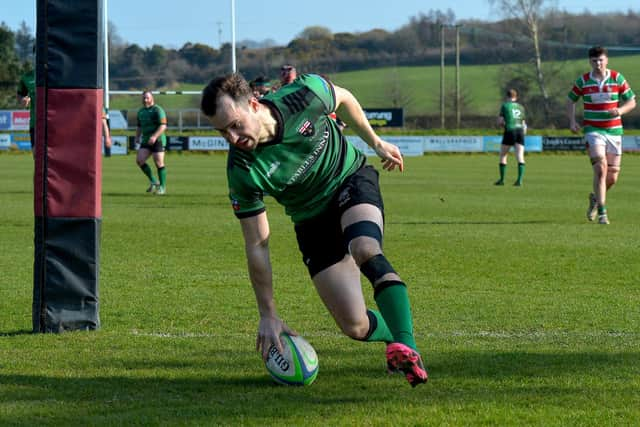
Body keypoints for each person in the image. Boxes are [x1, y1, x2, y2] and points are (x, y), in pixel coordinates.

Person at [200, 73, 428, 387]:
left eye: (235, 125)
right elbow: (257, 243)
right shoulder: (242, 170)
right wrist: (268, 313)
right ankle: (394, 342)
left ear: (253, 104)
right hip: (311, 221)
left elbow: (345, 97)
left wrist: (375, 142)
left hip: (349, 180)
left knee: (365, 248)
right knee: (355, 325)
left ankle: (409, 347)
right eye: (222, 132)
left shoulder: (302, 95)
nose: (232, 138)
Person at [567, 46, 636, 225]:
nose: (598, 63)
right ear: (590, 61)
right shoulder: (583, 81)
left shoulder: (617, 78)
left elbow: (632, 101)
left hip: (614, 131)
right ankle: (603, 213)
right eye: (594, 61)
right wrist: (572, 121)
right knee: (600, 166)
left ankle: (596, 200)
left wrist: (620, 110)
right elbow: (570, 100)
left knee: (612, 177)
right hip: (593, 130)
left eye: (601, 60)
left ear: (607, 60)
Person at [135, 91, 168, 195]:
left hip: (158, 140)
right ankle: (154, 181)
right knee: (140, 160)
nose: (145, 100)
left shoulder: (158, 110)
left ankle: (162, 188)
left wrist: (154, 136)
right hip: (146, 140)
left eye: (147, 98)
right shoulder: (140, 111)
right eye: (144, 98)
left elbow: (163, 126)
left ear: (152, 98)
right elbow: (139, 126)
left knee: (158, 163)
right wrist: (137, 136)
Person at [495, 88, 527, 186]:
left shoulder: (505, 106)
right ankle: (519, 180)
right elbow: (524, 123)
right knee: (520, 156)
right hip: (520, 132)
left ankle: (502, 180)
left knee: (503, 155)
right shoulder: (521, 107)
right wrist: (523, 132)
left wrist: (502, 125)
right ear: (516, 97)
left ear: (507, 97)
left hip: (510, 130)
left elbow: (500, 121)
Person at [16, 69, 36, 155]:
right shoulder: (27, 77)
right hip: (35, 124)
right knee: (36, 155)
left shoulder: (55, 72)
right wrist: (22, 101)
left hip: (54, 123)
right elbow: (20, 96)